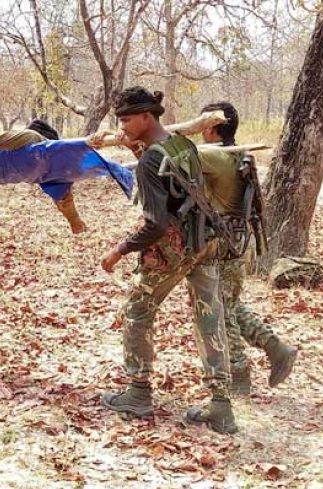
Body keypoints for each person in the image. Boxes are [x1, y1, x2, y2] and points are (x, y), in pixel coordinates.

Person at [90, 87, 237, 434]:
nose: (122, 126)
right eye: (120, 121)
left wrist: (119, 250)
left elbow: (155, 224)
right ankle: (221, 406)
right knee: (209, 316)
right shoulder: (180, 144)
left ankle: (138, 393)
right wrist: (132, 146)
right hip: (204, 241)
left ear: (146, 117)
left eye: (127, 120)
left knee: (137, 311)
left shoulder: (150, 161)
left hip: (172, 248)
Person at [199, 101, 298, 395]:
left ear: (212, 127)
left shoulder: (215, 155)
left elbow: (175, 154)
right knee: (227, 303)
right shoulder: (237, 153)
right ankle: (275, 348)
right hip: (239, 241)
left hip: (228, 243)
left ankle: (238, 375)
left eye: (202, 123)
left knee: (221, 310)